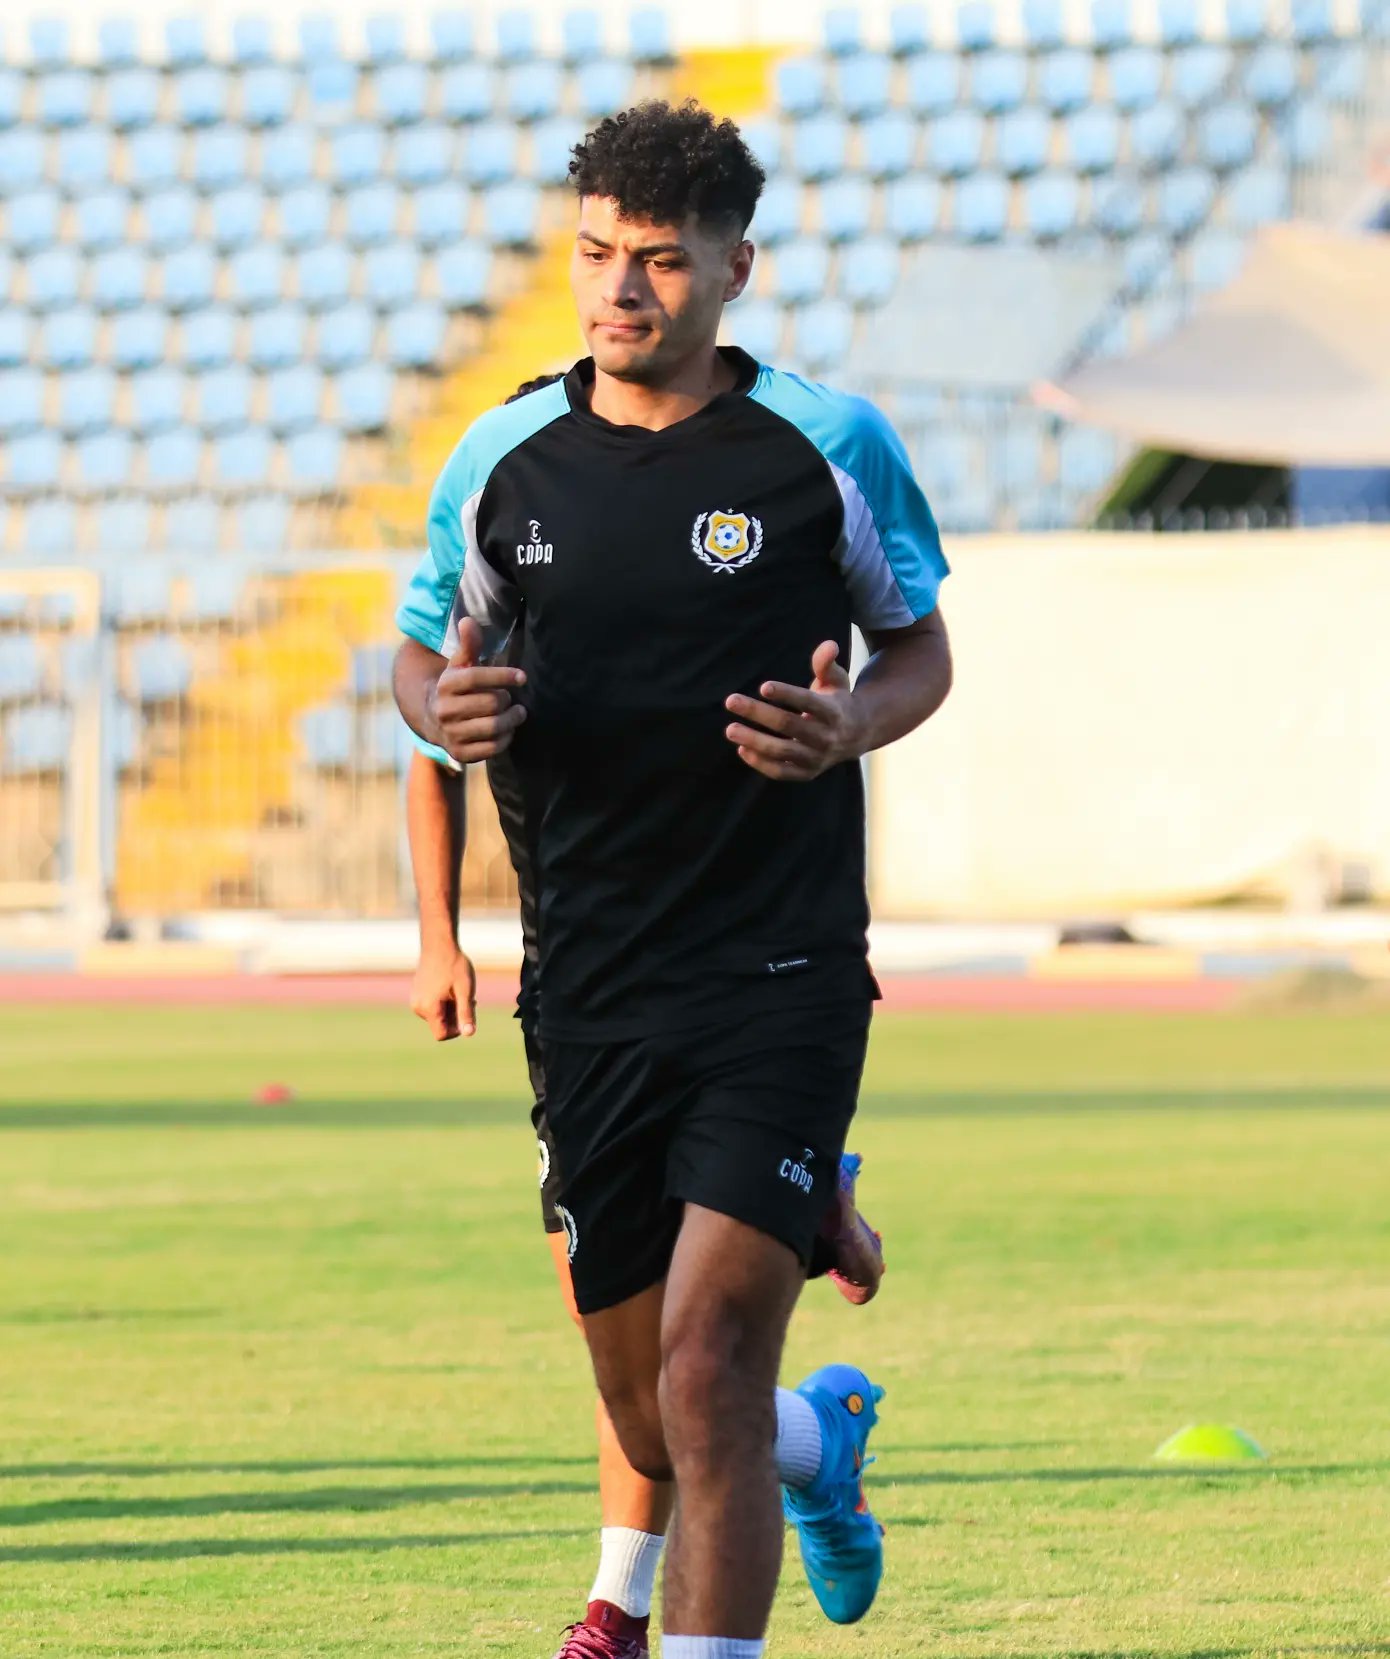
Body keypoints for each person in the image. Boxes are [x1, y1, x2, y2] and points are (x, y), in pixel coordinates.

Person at [394, 101, 952, 1659]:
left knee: (704, 1373)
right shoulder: (502, 455)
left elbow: (918, 649)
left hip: (778, 974)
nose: (617, 289)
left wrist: (850, 725)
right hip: (586, 985)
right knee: (653, 1411)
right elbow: (419, 661)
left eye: (655, 259)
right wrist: (438, 717)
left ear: (732, 269)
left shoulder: (826, 447)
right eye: (593, 255)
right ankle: (818, 1443)